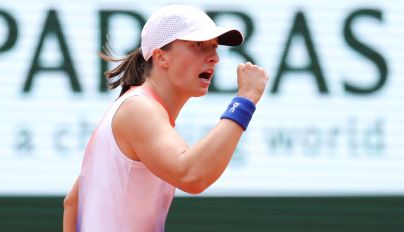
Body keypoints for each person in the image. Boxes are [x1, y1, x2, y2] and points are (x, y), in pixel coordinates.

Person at [63, 4, 268, 232]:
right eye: (198, 45)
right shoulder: (139, 109)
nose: (214, 58)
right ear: (161, 57)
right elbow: (192, 175)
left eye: (214, 47)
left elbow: (73, 203)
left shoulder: (137, 108)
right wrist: (245, 100)